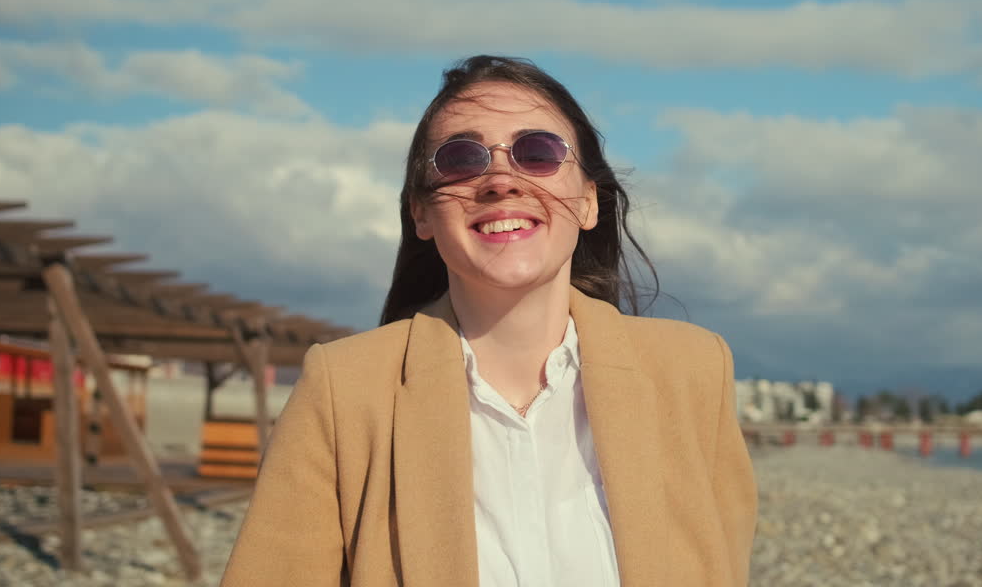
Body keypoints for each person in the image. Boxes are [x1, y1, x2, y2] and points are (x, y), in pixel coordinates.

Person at [220, 56, 756, 586]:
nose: (501, 179)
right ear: (422, 213)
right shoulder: (344, 389)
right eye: (460, 158)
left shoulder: (693, 371)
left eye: (538, 152)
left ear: (590, 201)